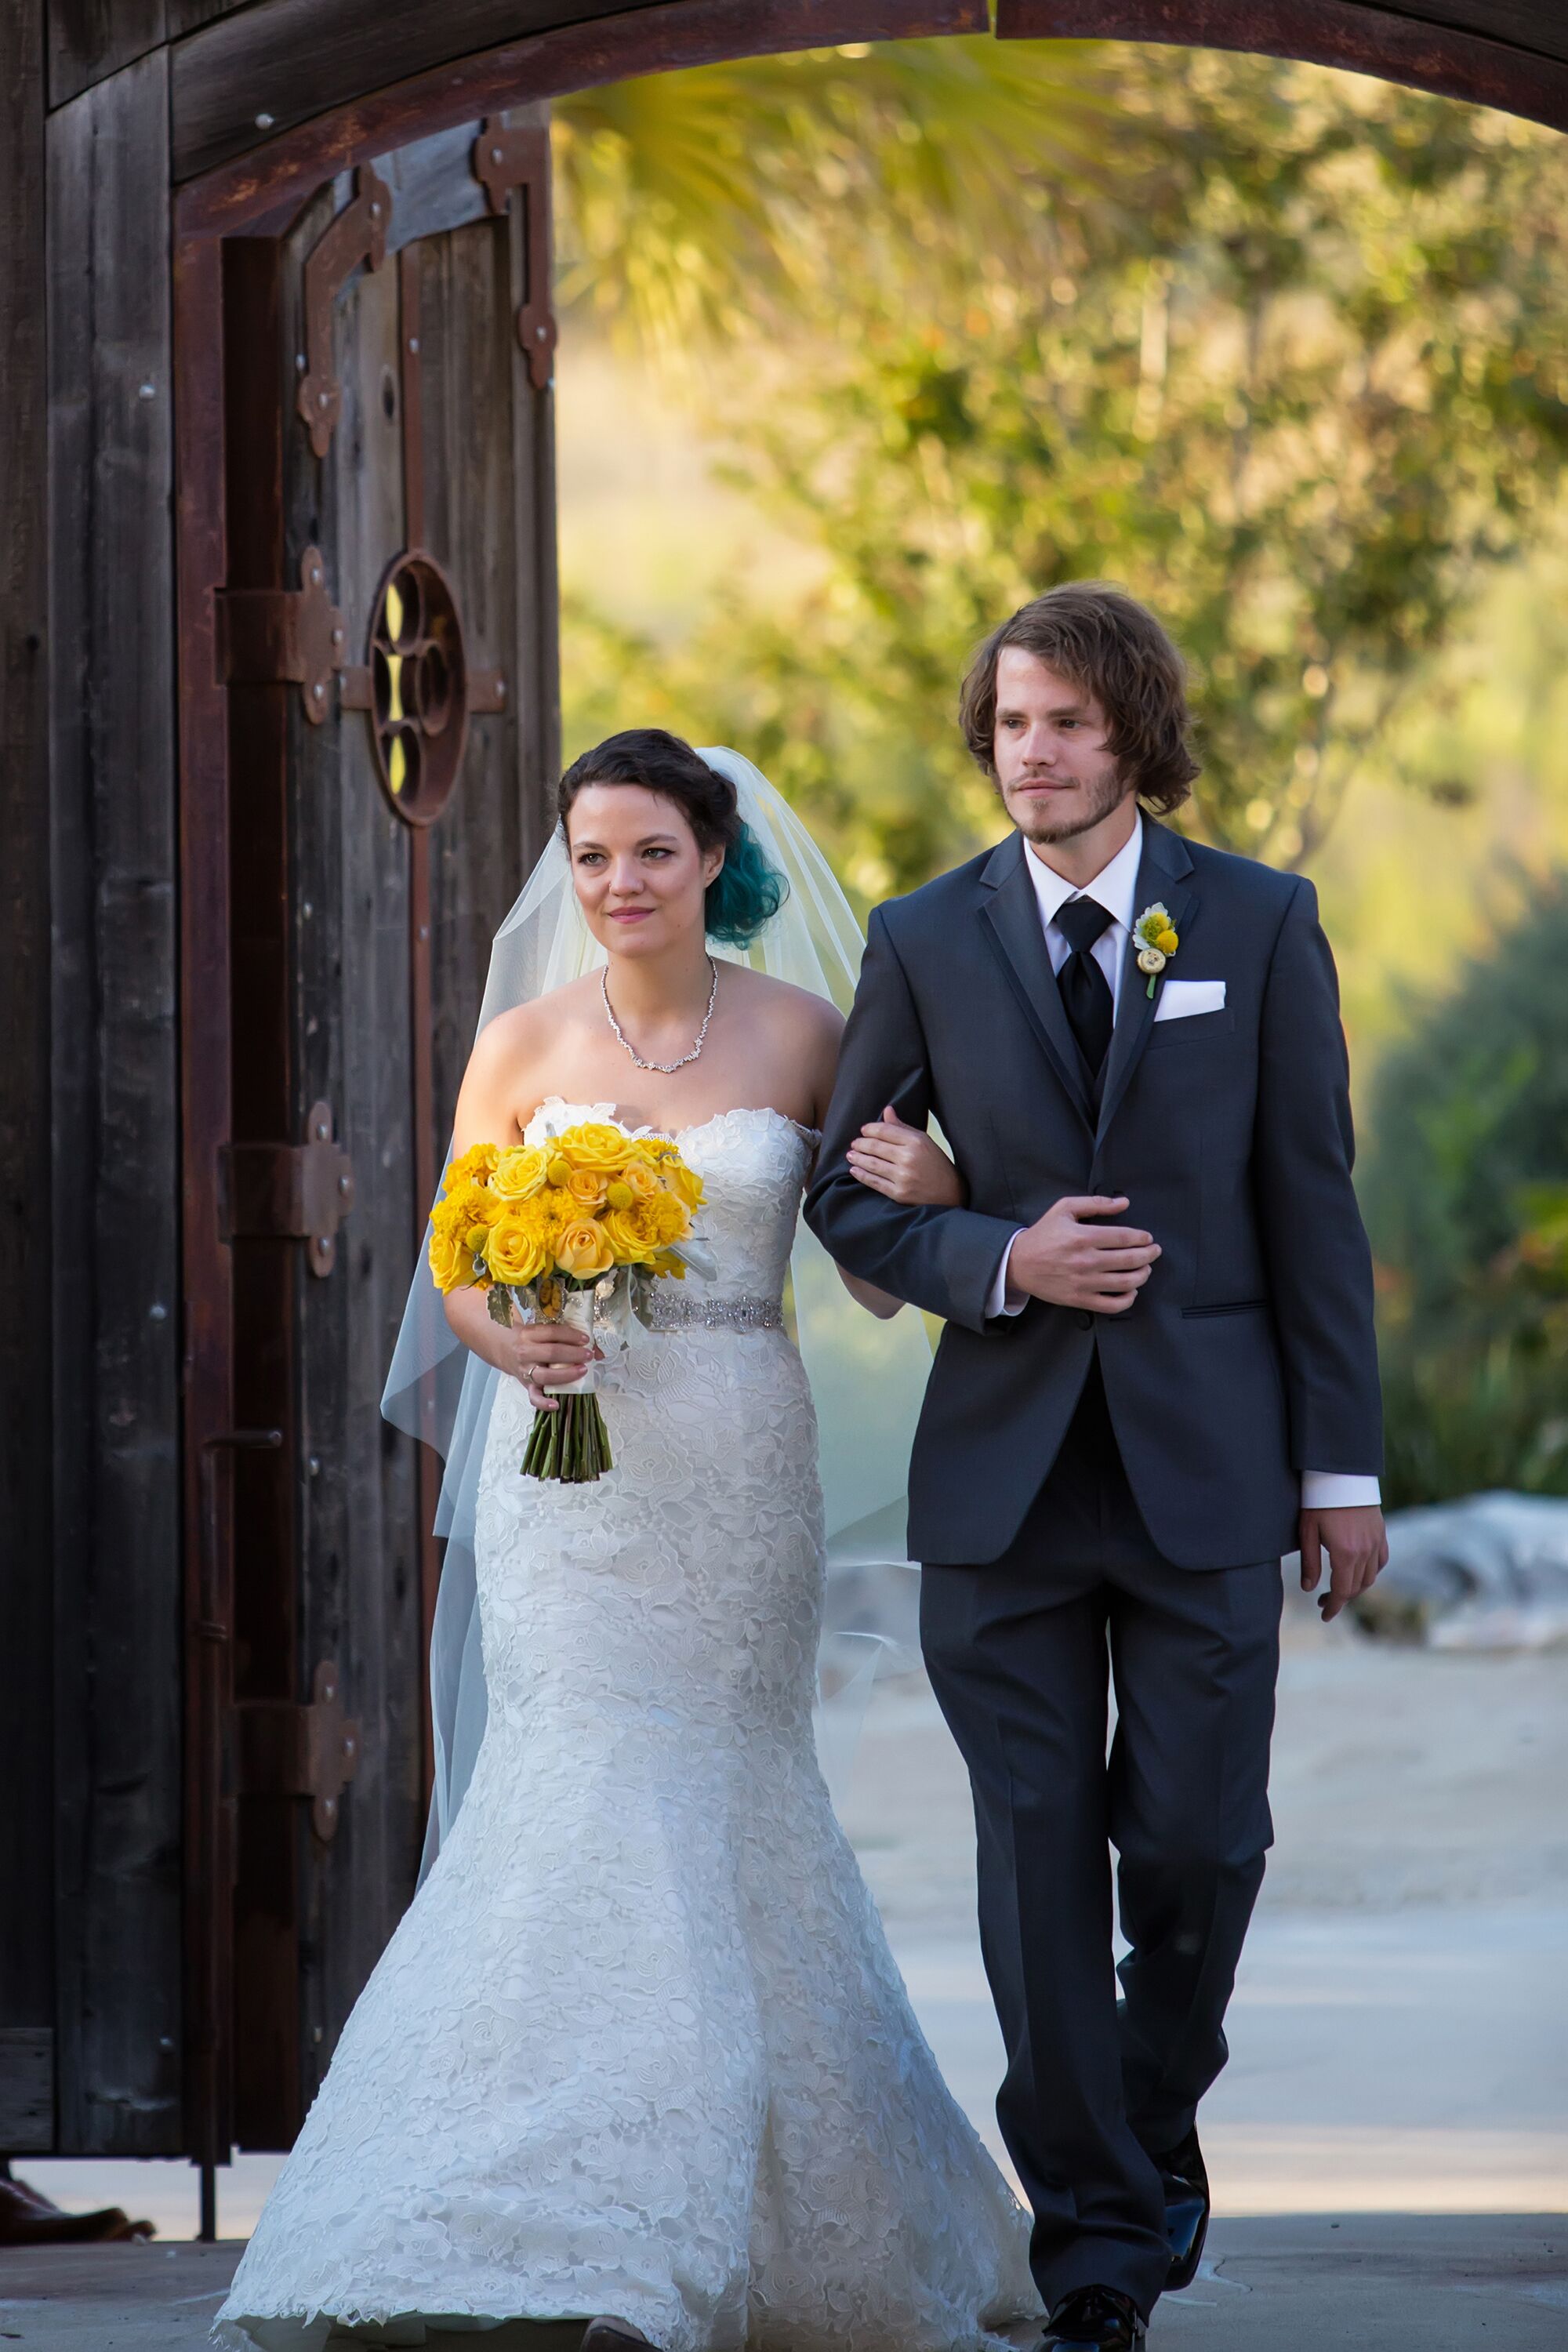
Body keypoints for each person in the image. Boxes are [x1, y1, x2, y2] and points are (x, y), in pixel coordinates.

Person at [216, 733, 1040, 2352]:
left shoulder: (809, 1031)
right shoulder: (524, 1040)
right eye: (591, 857)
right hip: (564, 1476)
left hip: (736, 1457)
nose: (616, 885)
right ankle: (527, 2211)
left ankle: (741, 2224)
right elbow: (457, 1261)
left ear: (712, 855)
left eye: (650, 852)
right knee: (578, 1778)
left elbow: (876, 1263)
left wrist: (942, 1181)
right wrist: (506, 1339)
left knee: (731, 1785)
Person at [808, 585, 1388, 2352]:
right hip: (1002, 1483)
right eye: (1007, 726)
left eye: (1063, 722)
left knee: (1201, 1849)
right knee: (1035, 1861)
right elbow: (842, 1194)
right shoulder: (921, 936)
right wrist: (995, 1257)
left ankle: (1143, 2126)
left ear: (1131, 730)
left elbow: (1314, 1206)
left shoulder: (1261, 924)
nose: (1032, 754)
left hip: (1212, 1472)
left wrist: (1340, 1467)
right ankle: (1099, 2260)